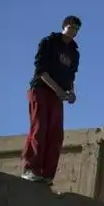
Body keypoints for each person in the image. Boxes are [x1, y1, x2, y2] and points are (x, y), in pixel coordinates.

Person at [20, 15, 82, 185]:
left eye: (77, 29)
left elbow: (71, 76)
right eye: (72, 27)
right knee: (39, 129)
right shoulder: (49, 42)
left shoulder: (74, 53)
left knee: (55, 135)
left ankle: (47, 175)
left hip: (57, 96)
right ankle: (30, 169)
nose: (74, 31)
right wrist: (59, 90)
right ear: (64, 26)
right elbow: (41, 71)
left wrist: (71, 92)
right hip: (40, 90)